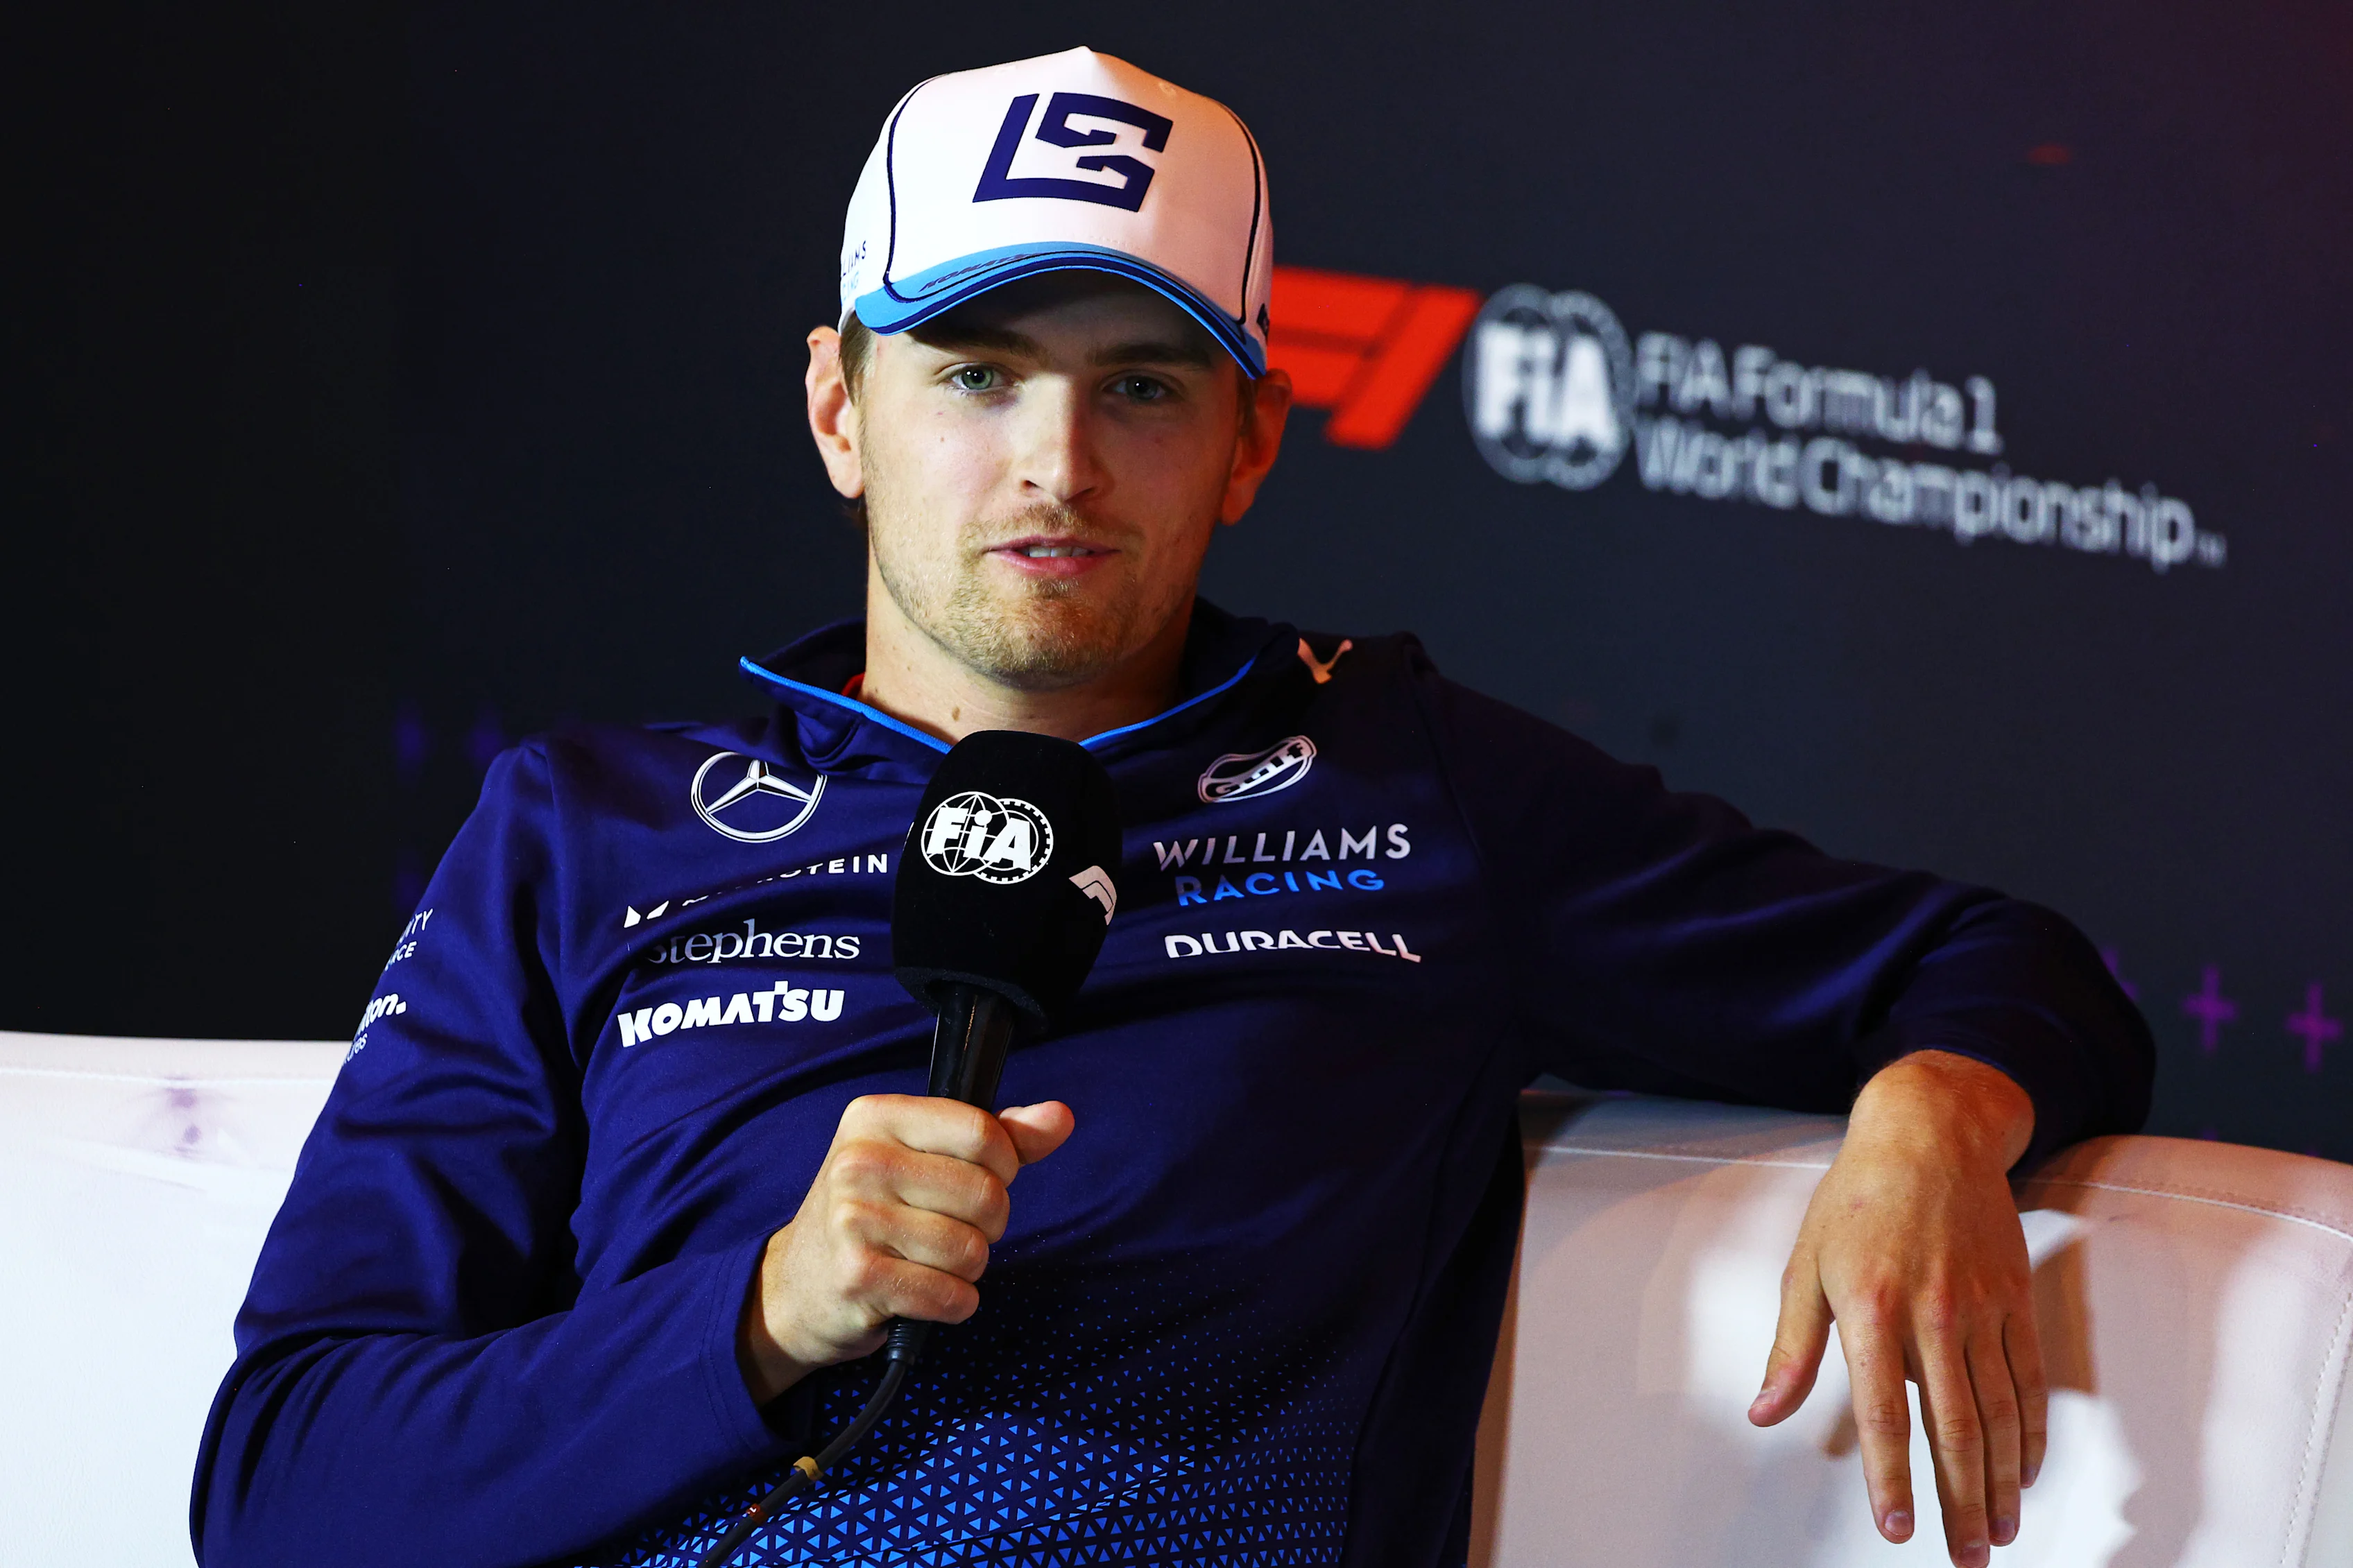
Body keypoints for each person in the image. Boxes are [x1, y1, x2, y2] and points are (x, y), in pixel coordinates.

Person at [191, 46, 2152, 1568]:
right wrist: (771, 1308)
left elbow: (2009, 969)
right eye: (975, 373)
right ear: (837, 408)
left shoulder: (1406, 782)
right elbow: (285, 1482)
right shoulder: (581, 830)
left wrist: (1932, 1116)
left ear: (1251, 445)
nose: (1055, 463)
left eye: (1141, 387)